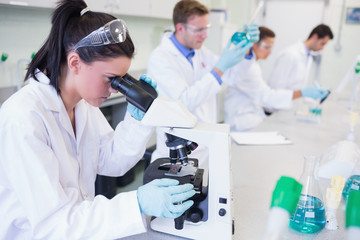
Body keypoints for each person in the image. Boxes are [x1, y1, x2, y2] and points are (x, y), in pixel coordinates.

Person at [0, 0, 196, 239]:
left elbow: (111, 160)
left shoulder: (83, 106)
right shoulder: (23, 118)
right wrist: (137, 203)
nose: (115, 89)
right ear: (75, 63)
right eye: (110, 79)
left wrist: (137, 120)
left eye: (121, 80)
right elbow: (55, 225)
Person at [147, 0, 259, 164]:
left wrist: (247, 49)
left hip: (206, 147)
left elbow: (231, 77)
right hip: (177, 154)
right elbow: (183, 102)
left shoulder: (201, 52)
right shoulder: (161, 58)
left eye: (206, 28)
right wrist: (219, 68)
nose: (205, 35)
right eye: (199, 30)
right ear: (180, 28)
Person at [224, 26, 330, 131]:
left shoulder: (253, 64)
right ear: (254, 44)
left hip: (252, 118)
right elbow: (267, 95)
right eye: (267, 47)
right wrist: (303, 92)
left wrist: (308, 95)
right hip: (240, 123)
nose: (270, 52)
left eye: (271, 47)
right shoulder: (247, 68)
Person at [267, 24, 333, 90]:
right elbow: (275, 86)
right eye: (322, 43)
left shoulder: (308, 57)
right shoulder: (290, 54)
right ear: (315, 37)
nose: (322, 48)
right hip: (282, 99)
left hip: (293, 99)